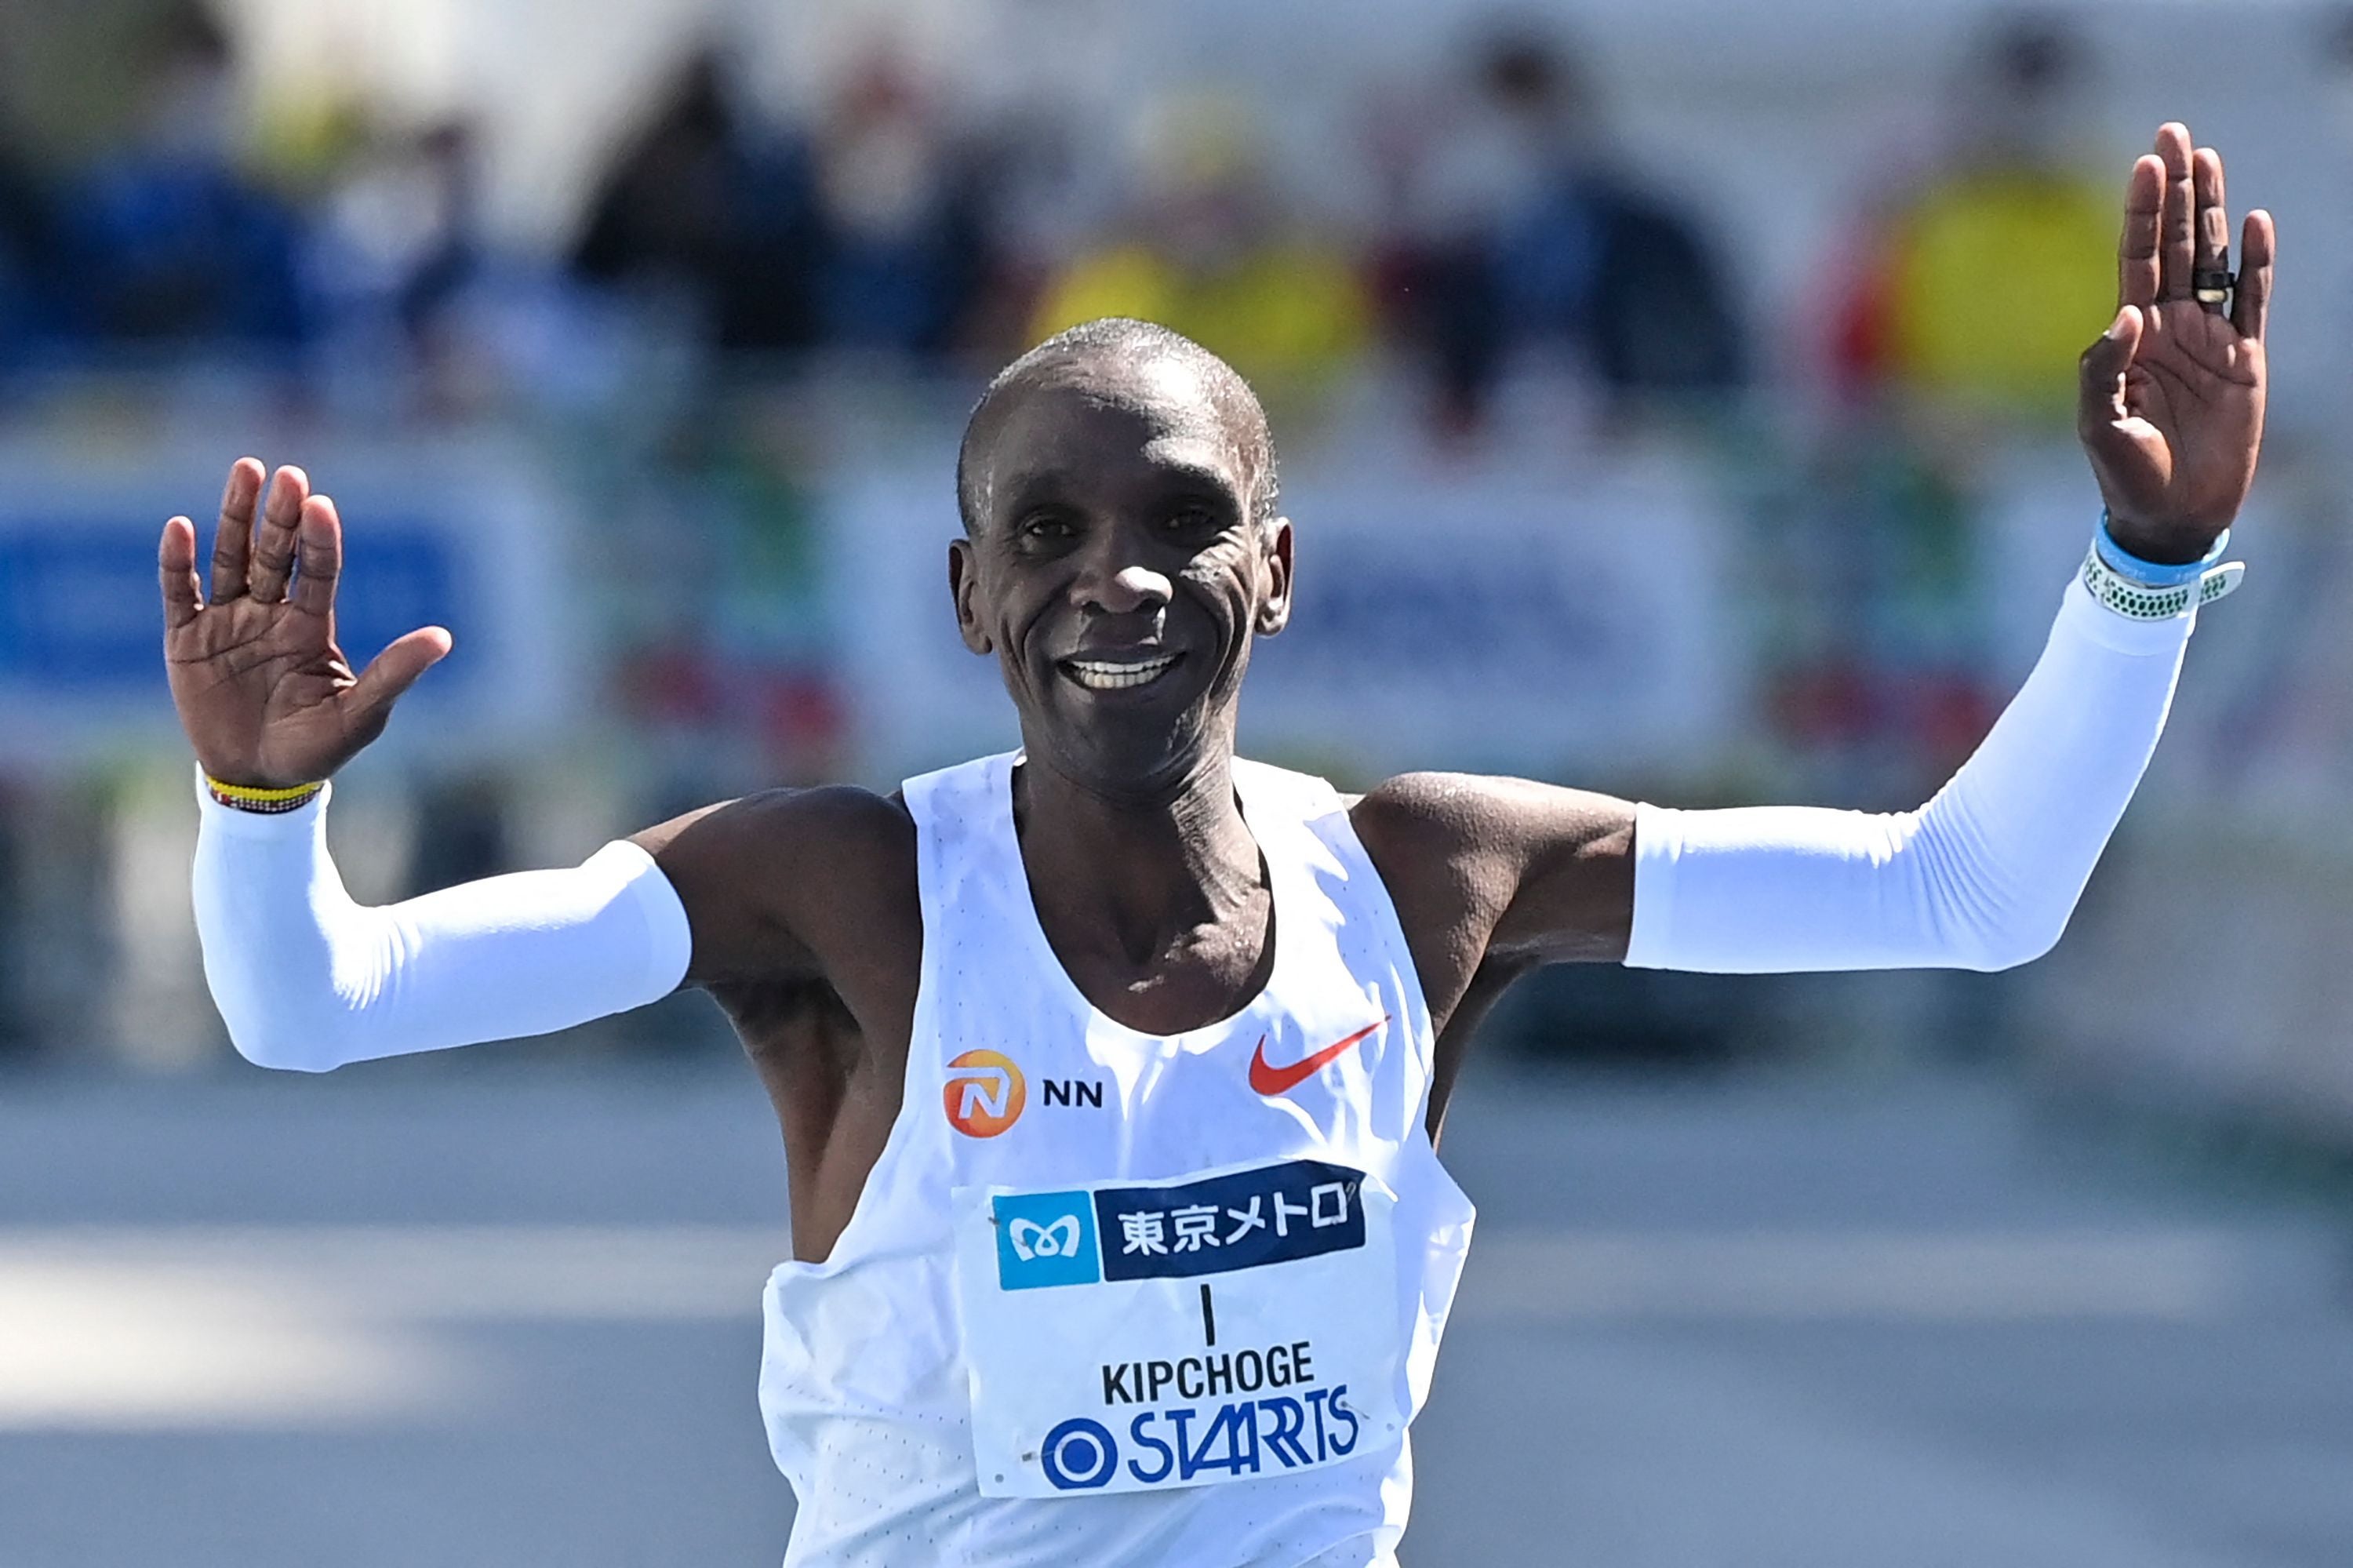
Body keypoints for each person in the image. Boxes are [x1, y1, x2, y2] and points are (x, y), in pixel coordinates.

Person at [161, 125, 2271, 1566]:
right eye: (1050, 538)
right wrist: (267, 809)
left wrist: (2147, 569)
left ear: (1277, 574)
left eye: (1182, 522)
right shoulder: (838, 890)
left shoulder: (1427, 883)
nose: (1120, 580)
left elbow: (1964, 896)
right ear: (971, 596)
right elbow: (312, 1010)